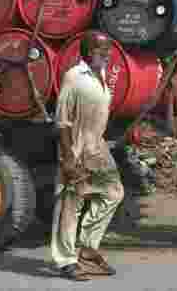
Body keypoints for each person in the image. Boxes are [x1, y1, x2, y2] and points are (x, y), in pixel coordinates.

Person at [50, 30, 125, 282]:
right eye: (102, 50)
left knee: (113, 193)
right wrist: (68, 157)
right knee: (71, 202)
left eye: (109, 50)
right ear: (88, 51)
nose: (108, 55)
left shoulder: (101, 74)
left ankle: (87, 248)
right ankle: (66, 260)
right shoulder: (74, 77)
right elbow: (62, 121)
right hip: (77, 146)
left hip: (98, 147)